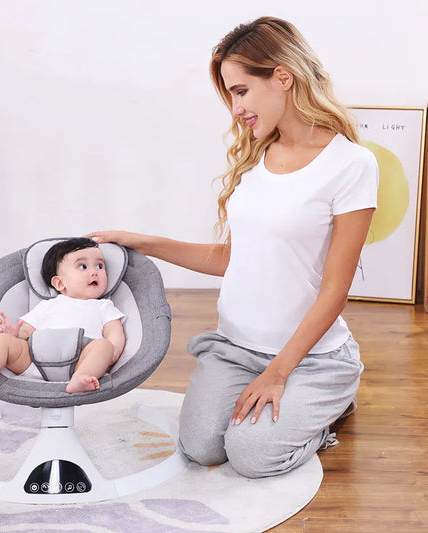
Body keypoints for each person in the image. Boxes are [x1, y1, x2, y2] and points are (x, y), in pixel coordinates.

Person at [88, 16, 378, 478]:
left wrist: (278, 374)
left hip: (310, 359)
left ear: (282, 76)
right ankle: (286, 408)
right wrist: (145, 242)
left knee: (252, 456)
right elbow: (232, 259)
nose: (236, 108)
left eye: (241, 91)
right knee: (202, 447)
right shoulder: (256, 156)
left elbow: (335, 290)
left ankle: (330, 404)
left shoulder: (351, 164)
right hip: (236, 347)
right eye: (230, 95)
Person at [0, 238, 126, 394]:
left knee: (104, 346)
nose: (95, 272)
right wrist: (15, 334)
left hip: (81, 360)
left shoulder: (103, 306)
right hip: (34, 360)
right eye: (83, 266)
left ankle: (81, 377)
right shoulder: (47, 305)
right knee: (2, 341)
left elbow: (114, 331)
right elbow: (27, 332)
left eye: (100, 266)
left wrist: (114, 349)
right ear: (60, 283)